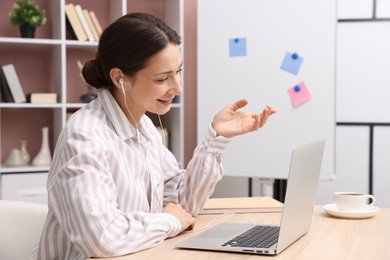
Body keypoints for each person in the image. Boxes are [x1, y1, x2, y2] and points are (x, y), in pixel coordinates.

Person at [30, 13, 276, 259]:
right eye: (162, 78)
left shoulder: (144, 127)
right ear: (120, 78)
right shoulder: (84, 136)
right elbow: (102, 238)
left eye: (177, 72)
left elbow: (183, 203)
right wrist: (169, 221)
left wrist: (216, 139)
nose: (178, 88)